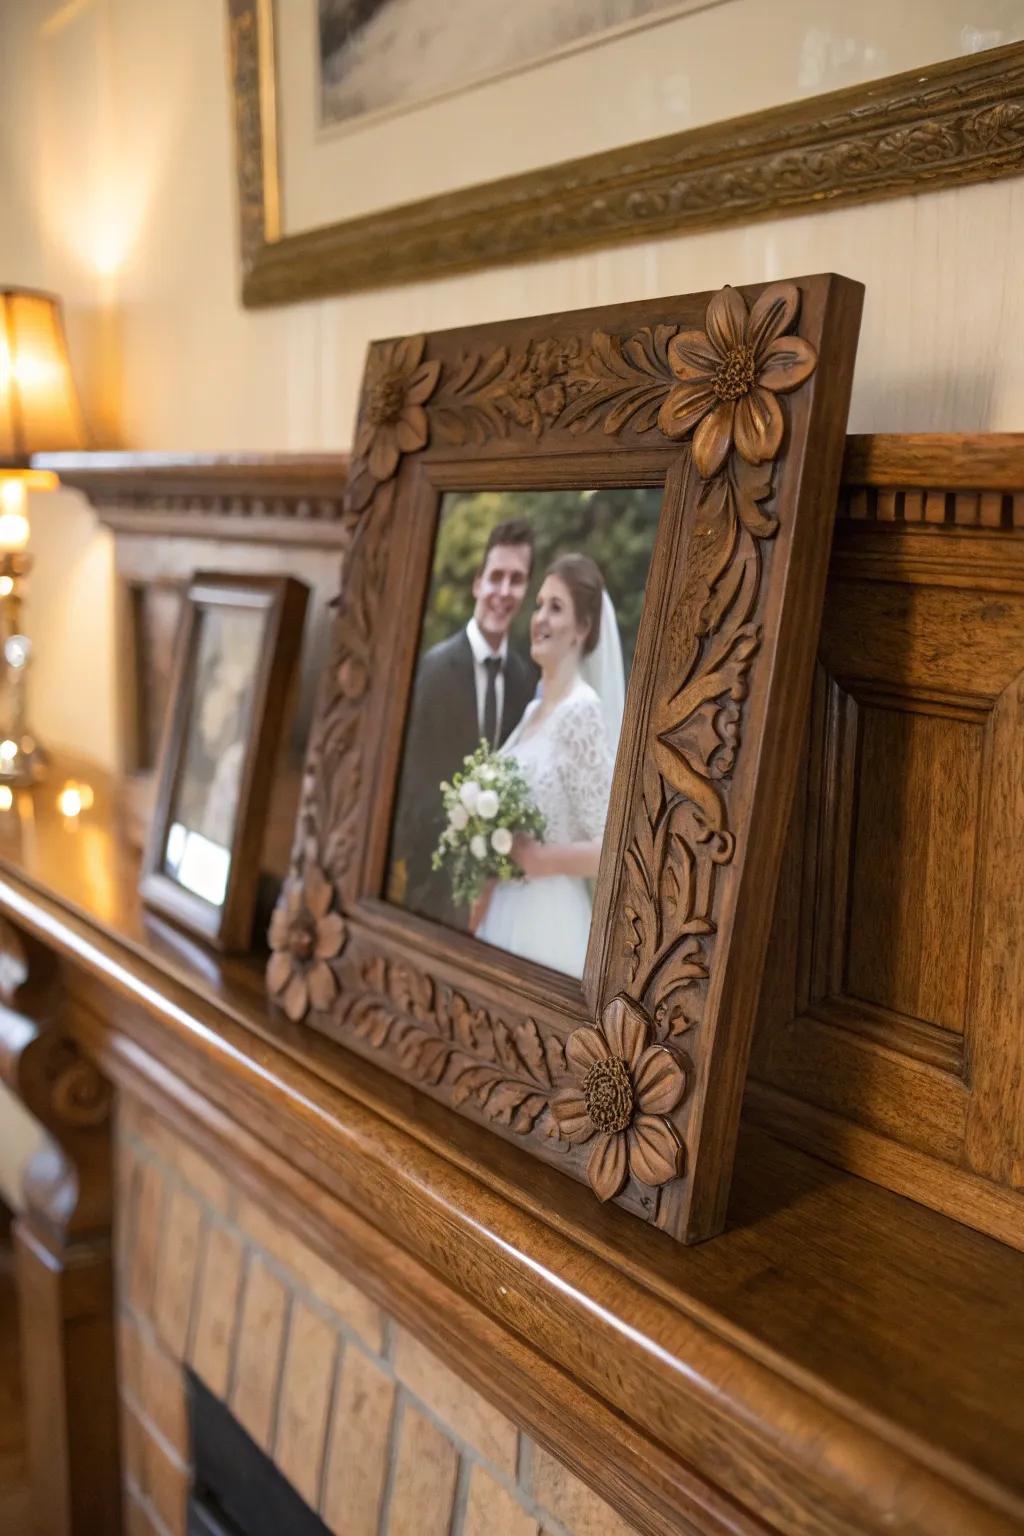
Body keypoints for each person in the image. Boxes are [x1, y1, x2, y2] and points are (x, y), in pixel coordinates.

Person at [474, 553, 624, 979]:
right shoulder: (534, 711)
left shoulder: (582, 712)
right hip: (501, 908)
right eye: (539, 605)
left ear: (582, 628)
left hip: (546, 922)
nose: (538, 618)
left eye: (555, 608)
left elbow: (610, 849)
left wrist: (540, 859)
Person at [391, 519, 539, 924]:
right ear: (477, 583)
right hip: (433, 882)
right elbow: (413, 782)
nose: (504, 592)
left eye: (517, 580)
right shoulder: (434, 669)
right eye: (496, 577)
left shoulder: (526, 680)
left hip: (498, 893)